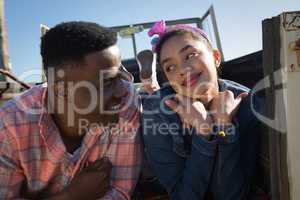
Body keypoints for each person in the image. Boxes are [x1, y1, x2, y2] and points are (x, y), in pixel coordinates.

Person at [0, 21, 142, 200]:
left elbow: (120, 193)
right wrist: (72, 195)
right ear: (62, 89)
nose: (122, 90)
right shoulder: (10, 124)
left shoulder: (125, 101)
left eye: (120, 76)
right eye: (107, 82)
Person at [142, 20, 262, 200]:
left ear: (215, 57)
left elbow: (230, 195)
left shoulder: (244, 103)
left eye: (190, 55)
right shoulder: (158, 112)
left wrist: (223, 127)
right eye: (170, 67)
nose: (182, 70)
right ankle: (149, 83)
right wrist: (204, 132)